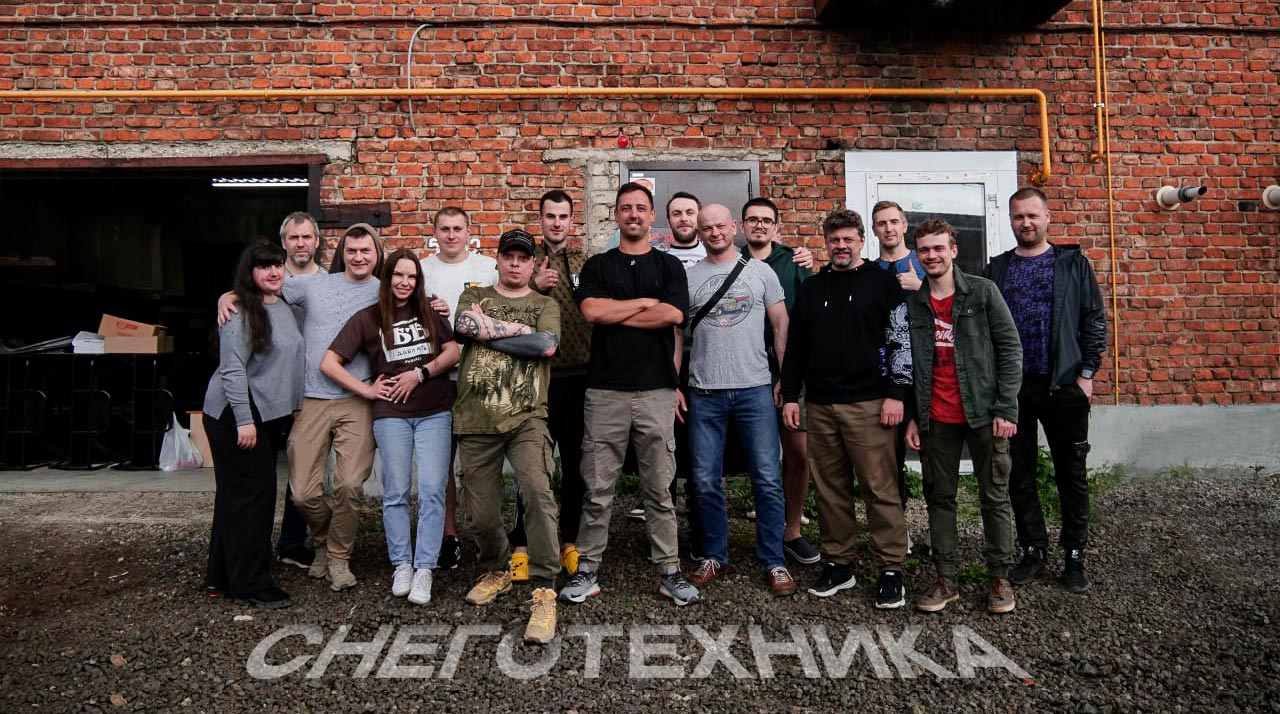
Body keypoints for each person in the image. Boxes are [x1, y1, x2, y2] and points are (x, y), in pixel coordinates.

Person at [558, 182, 700, 607]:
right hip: (605, 392)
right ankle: (587, 569)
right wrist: (643, 303)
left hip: (657, 390)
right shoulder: (598, 266)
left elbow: (673, 313)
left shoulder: (669, 266)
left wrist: (618, 312)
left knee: (660, 489)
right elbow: (591, 311)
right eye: (625, 208)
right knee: (598, 489)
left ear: (652, 215)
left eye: (640, 208)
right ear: (616, 215)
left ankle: (669, 570)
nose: (633, 214)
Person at [779, 209, 912, 608]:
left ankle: (891, 567)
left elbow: (900, 339)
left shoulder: (883, 283)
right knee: (830, 490)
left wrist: (897, 393)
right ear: (826, 242)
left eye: (848, 239)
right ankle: (839, 561)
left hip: (870, 403)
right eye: (834, 239)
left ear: (861, 241)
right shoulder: (812, 287)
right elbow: (796, 346)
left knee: (879, 488)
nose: (841, 246)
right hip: (820, 404)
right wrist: (791, 395)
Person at [321, 249, 460, 606]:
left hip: (435, 411)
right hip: (391, 414)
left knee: (432, 490)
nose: (405, 282)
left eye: (412, 277)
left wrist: (420, 373)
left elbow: (452, 352)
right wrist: (366, 390)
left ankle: (425, 567)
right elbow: (329, 362)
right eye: (399, 275)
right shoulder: (368, 318)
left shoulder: (429, 310)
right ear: (387, 278)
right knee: (396, 492)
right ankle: (402, 564)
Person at [985, 187, 1107, 593]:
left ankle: (1074, 553)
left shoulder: (1071, 264)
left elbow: (1094, 318)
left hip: (1063, 384)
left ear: (1048, 217)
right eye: (1019, 216)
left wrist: (1086, 374)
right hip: (1014, 389)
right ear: (1010, 219)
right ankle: (1033, 549)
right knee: (1019, 474)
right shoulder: (998, 268)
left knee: (1071, 474)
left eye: (1033, 215)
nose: (1026, 223)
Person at [902, 219, 1022, 614]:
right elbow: (909, 364)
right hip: (935, 417)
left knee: (994, 496)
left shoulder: (983, 292)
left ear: (953, 251)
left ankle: (999, 578)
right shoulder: (914, 303)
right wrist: (914, 417)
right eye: (924, 250)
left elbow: (1010, 349)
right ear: (917, 255)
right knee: (939, 498)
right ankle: (946, 579)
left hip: (984, 413)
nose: (932, 255)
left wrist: (1006, 407)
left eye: (939, 248)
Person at [452, 229, 562, 646]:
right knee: (479, 511)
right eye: (509, 256)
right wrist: (515, 330)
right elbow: (464, 326)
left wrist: (489, 329)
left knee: (537, 493)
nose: (515, 263)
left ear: (533, 264)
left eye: (523, 258)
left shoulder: (544, 304)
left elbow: (545, 345)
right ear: (496, 260)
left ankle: (544, 588)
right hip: (475, 418)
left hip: (526, 417)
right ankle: (496, 569)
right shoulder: (474, 294)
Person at [684, 203, 796, 597]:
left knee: (767, 479)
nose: (714, 233)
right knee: (704, 480)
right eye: (707, 228)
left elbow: (781, 324)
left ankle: (774, 560)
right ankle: (714, 554)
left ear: (734, 227)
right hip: (704, 392)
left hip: (755, 389)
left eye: (720, 226)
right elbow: (676, 335)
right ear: (699, 233)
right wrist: (673, 383)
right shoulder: (689, 276)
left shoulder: (761, 272)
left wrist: (785, 379)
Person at [203, 242, 304, 608]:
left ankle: (222, 576)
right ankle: (251, 585)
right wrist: (244, 421)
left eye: (277, 265)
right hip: (236, 414)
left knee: (236, 498)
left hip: (261, 414)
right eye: (264, 267)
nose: (273, 272)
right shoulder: (240, 311)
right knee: (254, 501)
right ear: (250, 273)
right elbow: (231, 369)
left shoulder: (285, 306)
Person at [284, 223, 384, 591]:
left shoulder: (384, 291)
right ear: (342, 253)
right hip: (312, 398)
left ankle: (339, 558)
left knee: (349, 485)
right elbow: (266, 287)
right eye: (352, 251)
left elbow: (417, 307)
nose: (358, 257)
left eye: (365, 251)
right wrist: (229, 295)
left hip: (358, 398)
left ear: (376, 254)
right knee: (303, 493)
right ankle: (325, 539)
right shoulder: (315, 284)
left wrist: (437, 304)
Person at [509, 190, 590, 581]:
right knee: (533, 466)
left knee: (575, 466)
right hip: (537, 378)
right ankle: (521, 545)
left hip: (580, 377)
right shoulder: (524, 260)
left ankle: (569, 541)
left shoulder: (585, 261)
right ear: (540, 219)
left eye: (563, 216)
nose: (556, 223)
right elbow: (505, 310)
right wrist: (535, 285)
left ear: (572, 220)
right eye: (550, 216)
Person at [740, 197, 820, 565]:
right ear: (743, 225)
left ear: (776, 227)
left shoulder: (794, 262)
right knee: (755, 455)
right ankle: (761, 524)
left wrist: (791, 375)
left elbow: (810, 316)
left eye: (766, 220)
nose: (759, 225)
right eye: (752, 219)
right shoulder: (731, 260)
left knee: (798, 451)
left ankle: (792, 530)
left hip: (791, 369)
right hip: (744, 369)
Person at [420, 206, 499, 570]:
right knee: (441, 464)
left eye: (457, 228)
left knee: (481, 463)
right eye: (444, 229)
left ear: (470, 232)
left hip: (478, 376)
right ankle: (448, 535)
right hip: (438, 377)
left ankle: (489, 537)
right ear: (434, 232)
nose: (451, 235)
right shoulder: (422, 270)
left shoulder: (487, 268)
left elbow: (503, 312)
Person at [871, 200, 927, 534]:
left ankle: (940, 535)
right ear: (874, 230)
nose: (888, 228)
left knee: (933, 458)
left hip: (928, 373)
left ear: (905, 225)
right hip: (887, 376)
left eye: (894, 221)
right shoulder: (869, 271)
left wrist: (921, 289)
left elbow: (952, 305)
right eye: (882, 223)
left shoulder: (925, 263)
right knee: (889, 460)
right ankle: (897, 530)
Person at [274, 211, 321, 570]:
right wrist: (226, 297)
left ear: (317, 241)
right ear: (284, 242)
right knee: (264, 473)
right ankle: (256, 545)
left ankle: (292, 542)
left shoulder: (330, 282)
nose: (301, 243)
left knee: (301, 471)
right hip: (272, 388)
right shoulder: (271, 279)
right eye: (294, 237)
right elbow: (240, 294)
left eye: (306, 237)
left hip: (311, 391)